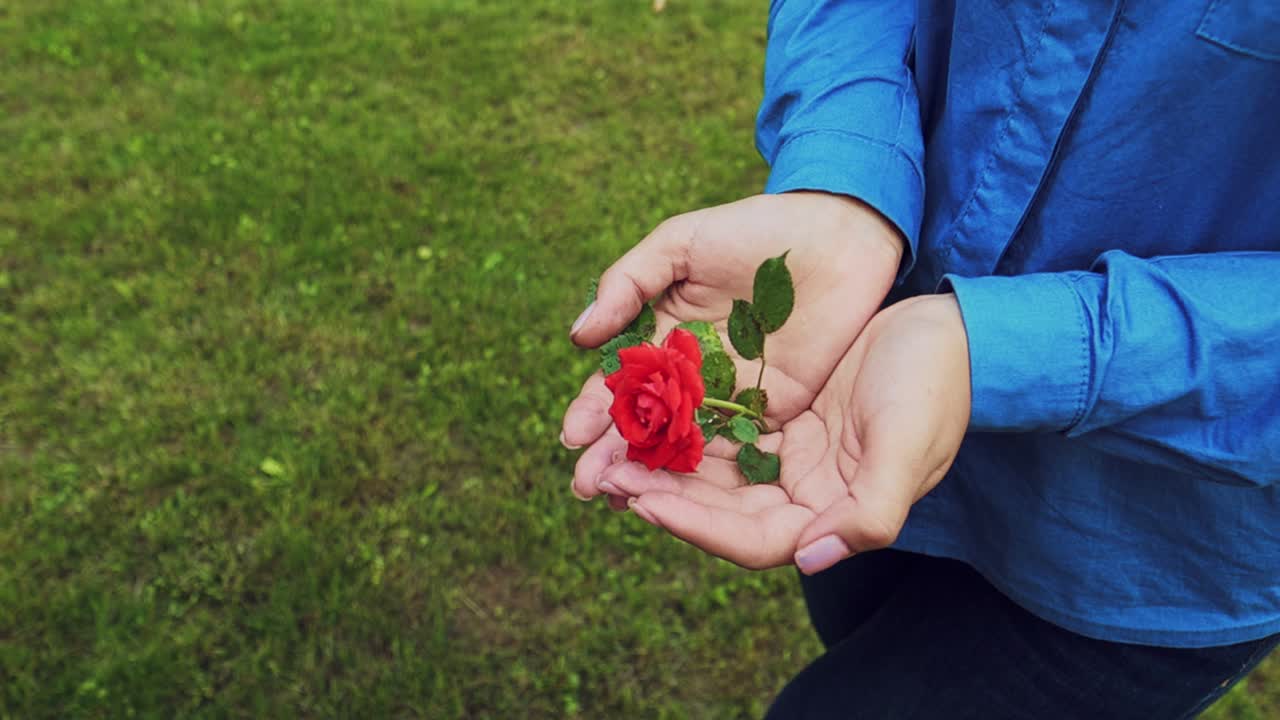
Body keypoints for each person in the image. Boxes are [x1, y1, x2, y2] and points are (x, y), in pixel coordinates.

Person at [562, 1, 1280, 717]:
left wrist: (1001, 350)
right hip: (846, 391)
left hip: (1152, 537)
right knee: (851, 624)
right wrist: (844, 179)